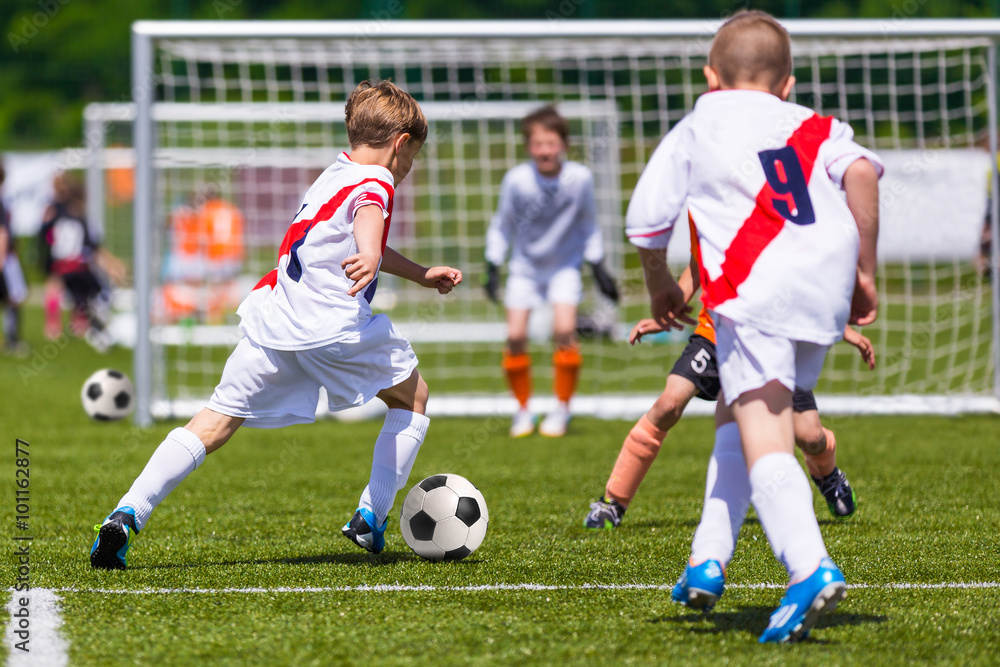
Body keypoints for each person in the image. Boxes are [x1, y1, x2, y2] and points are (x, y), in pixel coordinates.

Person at [90, 80, 463, 569]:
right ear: (400, 143)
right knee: (412, 398)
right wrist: (370, 252)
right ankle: (371, 516)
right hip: (331, 325)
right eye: (413, 155)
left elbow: (349, 232)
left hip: (275, 321)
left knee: (214, 422)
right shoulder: (378, 180)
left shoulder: (333, 174)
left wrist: (415, 272)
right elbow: (370, 216)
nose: (410, 167)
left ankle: (127, 513)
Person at [624, 11, 881, 642]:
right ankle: (707, 559)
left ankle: (809, 568)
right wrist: (865, 273)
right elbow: (864, 174)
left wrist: (659, 283)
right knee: (739, 422)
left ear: (711, 77)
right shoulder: (818, 126)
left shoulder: (699, 123)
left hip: (751, 293)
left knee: (766, 437)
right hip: (819, 290)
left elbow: (647, 218)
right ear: (787, 84)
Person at [584, 221, 875, 530]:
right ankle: (612, 503)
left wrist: (839, 326)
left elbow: (796, 271)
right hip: (716, 332)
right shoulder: (702, 203)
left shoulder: (772, 199)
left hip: (772, 335)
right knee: (668, 404)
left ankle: (827, 475)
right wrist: (668, 310)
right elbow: (700, 264)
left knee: (810, 437)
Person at [484, 105, 619, 438]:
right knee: (515, 337)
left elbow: (588, 224)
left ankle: (562, 408)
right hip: (525, 268)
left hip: (564, 266)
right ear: (529, 146)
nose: (545, 150)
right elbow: (503, 225)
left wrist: (599, 265)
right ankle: (522, 411)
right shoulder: (517, 180)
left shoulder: (579, 178)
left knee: (564, 331)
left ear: (564, 144)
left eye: (552, 142)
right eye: (538, 144)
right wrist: (493, 264)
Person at [38, 173, 125, 348]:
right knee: (91, 293)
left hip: (59, 262)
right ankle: (82, 325)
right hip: (77, 263)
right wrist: (111, 264)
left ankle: (54, 327)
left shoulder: (55, 212)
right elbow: (92, 247)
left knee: (63, 290)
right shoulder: (80, 218)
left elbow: (46, 236)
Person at [0, 162, 28, 356]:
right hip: (4, 259)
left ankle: (10, 339)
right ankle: (12, 340)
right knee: (14, 297)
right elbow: (2, 232)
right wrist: (2, 258)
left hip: (8, 256)